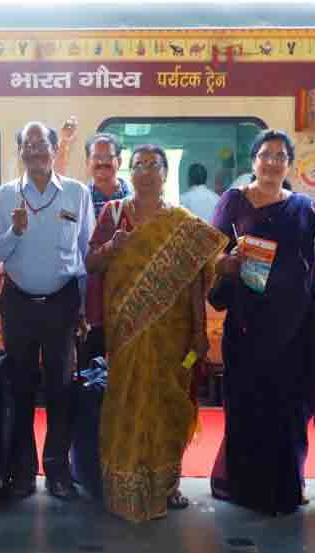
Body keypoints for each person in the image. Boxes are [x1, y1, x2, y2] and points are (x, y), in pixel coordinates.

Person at [88, 145, 225, 521]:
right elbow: (91, 263)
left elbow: (197, 282)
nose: (146, 171)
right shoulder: (112, 214)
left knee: (170, 404)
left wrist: (200, 331)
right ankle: (124, 485)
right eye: (139, 165)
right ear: (129, 173)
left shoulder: (183, 223)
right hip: (126, 333)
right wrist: (111, 249)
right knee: (126, 402)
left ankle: (167, 483)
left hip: (173, 334)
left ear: (165, 173)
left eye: (153, 165)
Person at [209, 129, 315, 516]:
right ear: (253, 161)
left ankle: (288, 483)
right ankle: (244, 485)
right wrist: (224, 265)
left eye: (281, 156)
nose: (273, 162)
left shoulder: (309, 211)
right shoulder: (234, 203)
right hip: (248, 325)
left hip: (297, 327)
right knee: (247, 405)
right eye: (266, 155)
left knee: (289, 408)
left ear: (289, 164)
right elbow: (211, 255)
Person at [0, 122, 93, 500]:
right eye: (26, 145)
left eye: (40, 144)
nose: (34, 151)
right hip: (19, 304)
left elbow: (86, 253)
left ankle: (58, 471)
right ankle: (23, 473)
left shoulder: (76, 194)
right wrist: (14, 231)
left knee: (61, 389)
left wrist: (83, 306)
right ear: (20, 153)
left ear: (53, 147)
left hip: (62, 304)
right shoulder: (3, 197)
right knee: (21, 388)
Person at [81, 130, 133, 362]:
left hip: (129, 299)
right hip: (87, 299)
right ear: (88, 162)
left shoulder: (136, 198)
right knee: (90, 370)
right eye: (96, 157)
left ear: (119, 162)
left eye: (108, 157)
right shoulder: (76, 198)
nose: (102, 163)